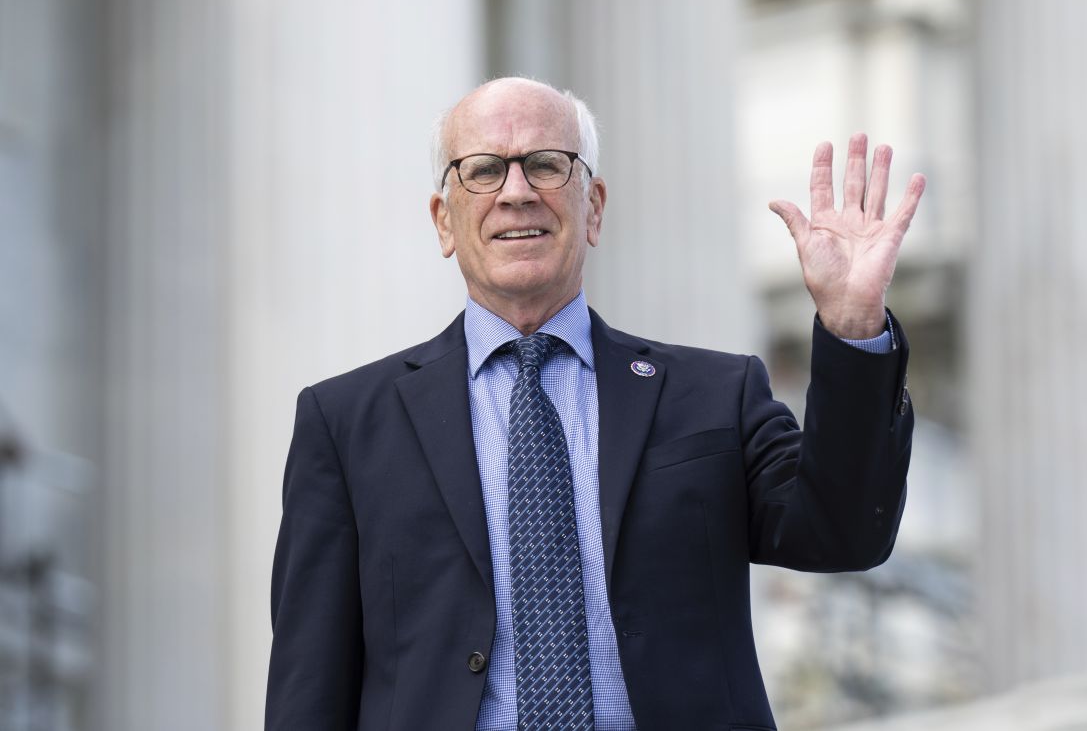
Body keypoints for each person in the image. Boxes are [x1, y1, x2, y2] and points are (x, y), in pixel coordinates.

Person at [265, 77, 925, 731]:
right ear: (445, 220)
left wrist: (851, 325)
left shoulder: (714, 396)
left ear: (595, 207)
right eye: (485, 170)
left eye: (548, 164)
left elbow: (846, 531)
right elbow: (309, 683)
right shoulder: (347, 424)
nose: (517, 191)